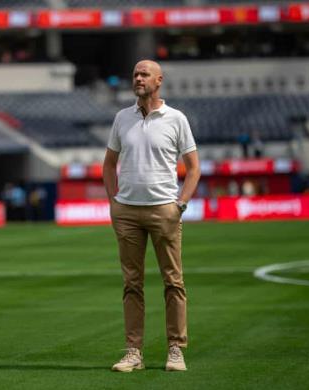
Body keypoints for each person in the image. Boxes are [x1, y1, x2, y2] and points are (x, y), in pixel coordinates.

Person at [103, 60, 200, 372]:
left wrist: (180, 205)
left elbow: (194, 168)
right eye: (135, 74)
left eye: (144, 74)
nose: (138, 78)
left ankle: (176, 349)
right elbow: (108, 164)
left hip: (164, 211)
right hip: (127, 212)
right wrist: (113, 202)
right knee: (132, 283)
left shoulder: (176, 119)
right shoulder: (122, 118)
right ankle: (134, 352)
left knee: (173, 281)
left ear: (159, 80)